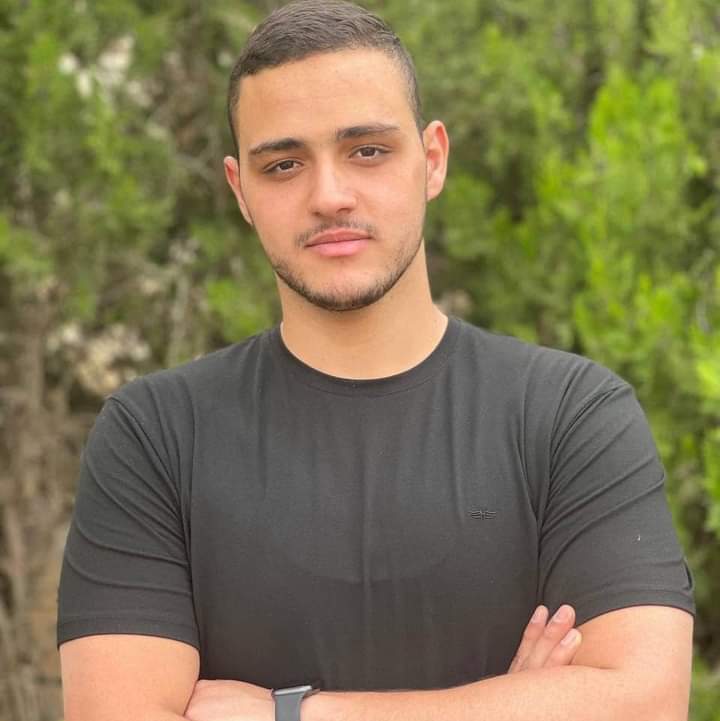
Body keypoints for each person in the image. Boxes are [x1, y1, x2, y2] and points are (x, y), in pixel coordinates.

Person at [57, 1, 695, 720]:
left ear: (433, 160)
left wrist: (292, 713)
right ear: (240, 190)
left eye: (367, 151)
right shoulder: (155, 437)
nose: (329, 196)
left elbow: (645, 702)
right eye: (284, 164)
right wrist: (514, 705)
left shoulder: (569, 416)